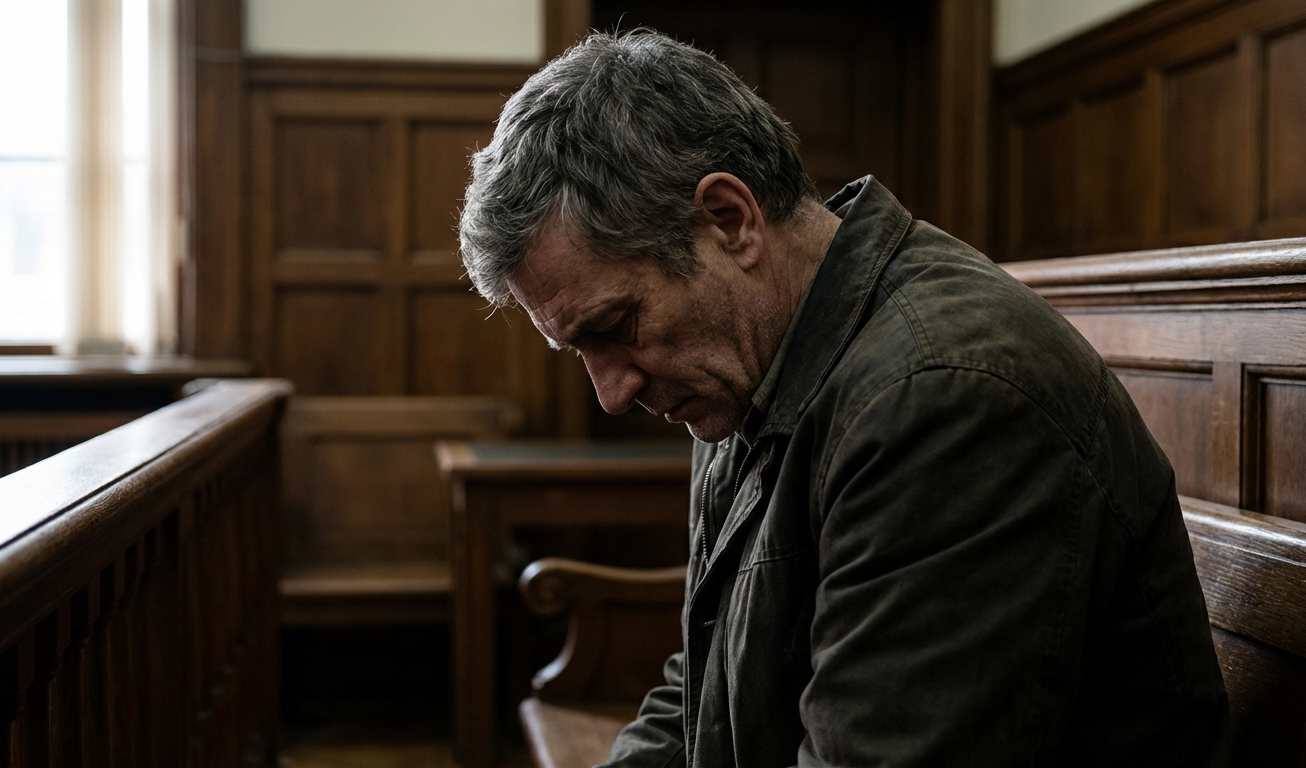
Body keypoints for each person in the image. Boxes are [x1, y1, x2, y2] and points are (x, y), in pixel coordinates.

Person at [458, 29, 1229, 768]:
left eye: (617, 325)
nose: (612, 394)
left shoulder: (945, 400)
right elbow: (707, 690)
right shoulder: (752, 368)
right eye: (579, 352)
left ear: (730, 220)